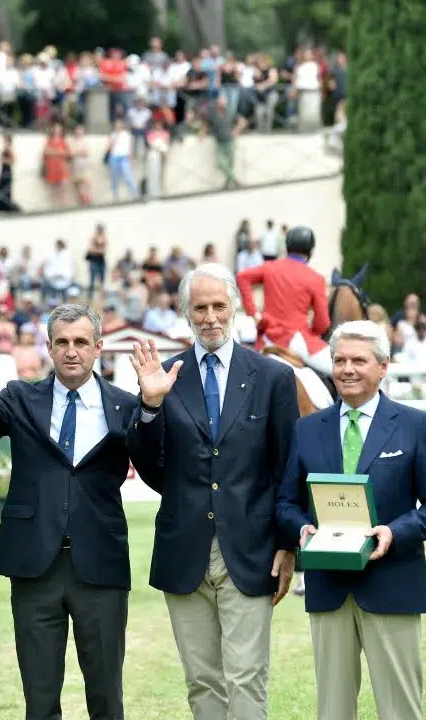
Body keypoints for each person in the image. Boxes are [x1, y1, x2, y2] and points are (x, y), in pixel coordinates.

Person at [0, 304, 137, 720]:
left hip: (102, 565)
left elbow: (158, 462)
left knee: (107, 699)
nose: (71, 351)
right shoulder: (20, 398)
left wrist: (152, 407)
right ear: (49, 348)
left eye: (81, 342)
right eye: (62, 342)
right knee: (39, 702)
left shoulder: (126, 406)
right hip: (35, 566)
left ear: (98, 347)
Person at [127, 263, 299, 720]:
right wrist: (150, 406)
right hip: (184, 550)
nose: (210, 317)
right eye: (199, 308)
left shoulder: (272, 378)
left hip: (250, 549)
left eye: (218, 306)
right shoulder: (163, 376)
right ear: (185, 313)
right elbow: (150, 465)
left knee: (246, 677)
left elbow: (287, 469)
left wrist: (288, 546)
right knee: (202, 682)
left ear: (235, 308)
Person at [275, 320, 426, 720]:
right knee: (332, 710)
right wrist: (301, 529)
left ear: (383, 366)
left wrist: (395, 531)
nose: (347, 369)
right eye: (339, 360)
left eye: (359, 360)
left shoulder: (416, 426)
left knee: (400, 709)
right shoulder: (306, 430)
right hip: (328, 588)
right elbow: (286, 502)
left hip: (393, 583)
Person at [236, 225, 331, 375]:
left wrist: (253, 313)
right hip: (296, 340)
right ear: (310, 251)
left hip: (267, 339)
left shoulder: (270, 267)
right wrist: (312, 334)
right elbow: (322, 323)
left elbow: (242, 277)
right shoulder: (316, 278)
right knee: (339, 369)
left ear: (287, 247)